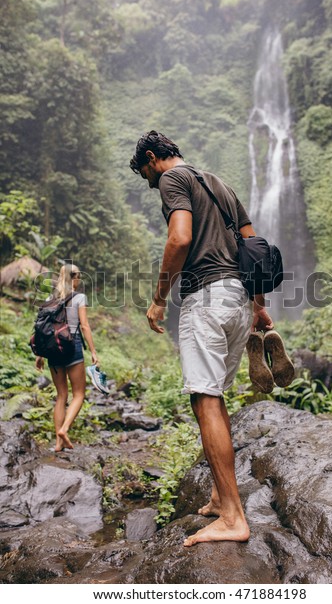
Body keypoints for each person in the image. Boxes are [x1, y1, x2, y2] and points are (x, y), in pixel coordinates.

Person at [130, 131, 274, 546]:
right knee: (216, 395)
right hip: (239, 300)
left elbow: (180, 238)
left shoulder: (174, 180)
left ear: (153, 158)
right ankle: (218, 496)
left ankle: (232, 517)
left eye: (147, 177)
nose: (152, 185)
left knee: (204, 398)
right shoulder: (219, 184)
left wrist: (159, 299)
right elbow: (253, 244)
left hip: (206, 299)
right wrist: (258, 304)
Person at [35, 264, 105, 452]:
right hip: (71, 345)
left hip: (52, 348)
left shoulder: (51, 298)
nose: (80, 278)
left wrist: (41, 354)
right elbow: (85, 326)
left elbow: (44, 328)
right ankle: (64, 429)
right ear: (74, 277)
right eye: (79, 275)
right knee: (79, 394)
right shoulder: (79, 297)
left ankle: (58, 443)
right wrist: (93, 351)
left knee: (61, 395)